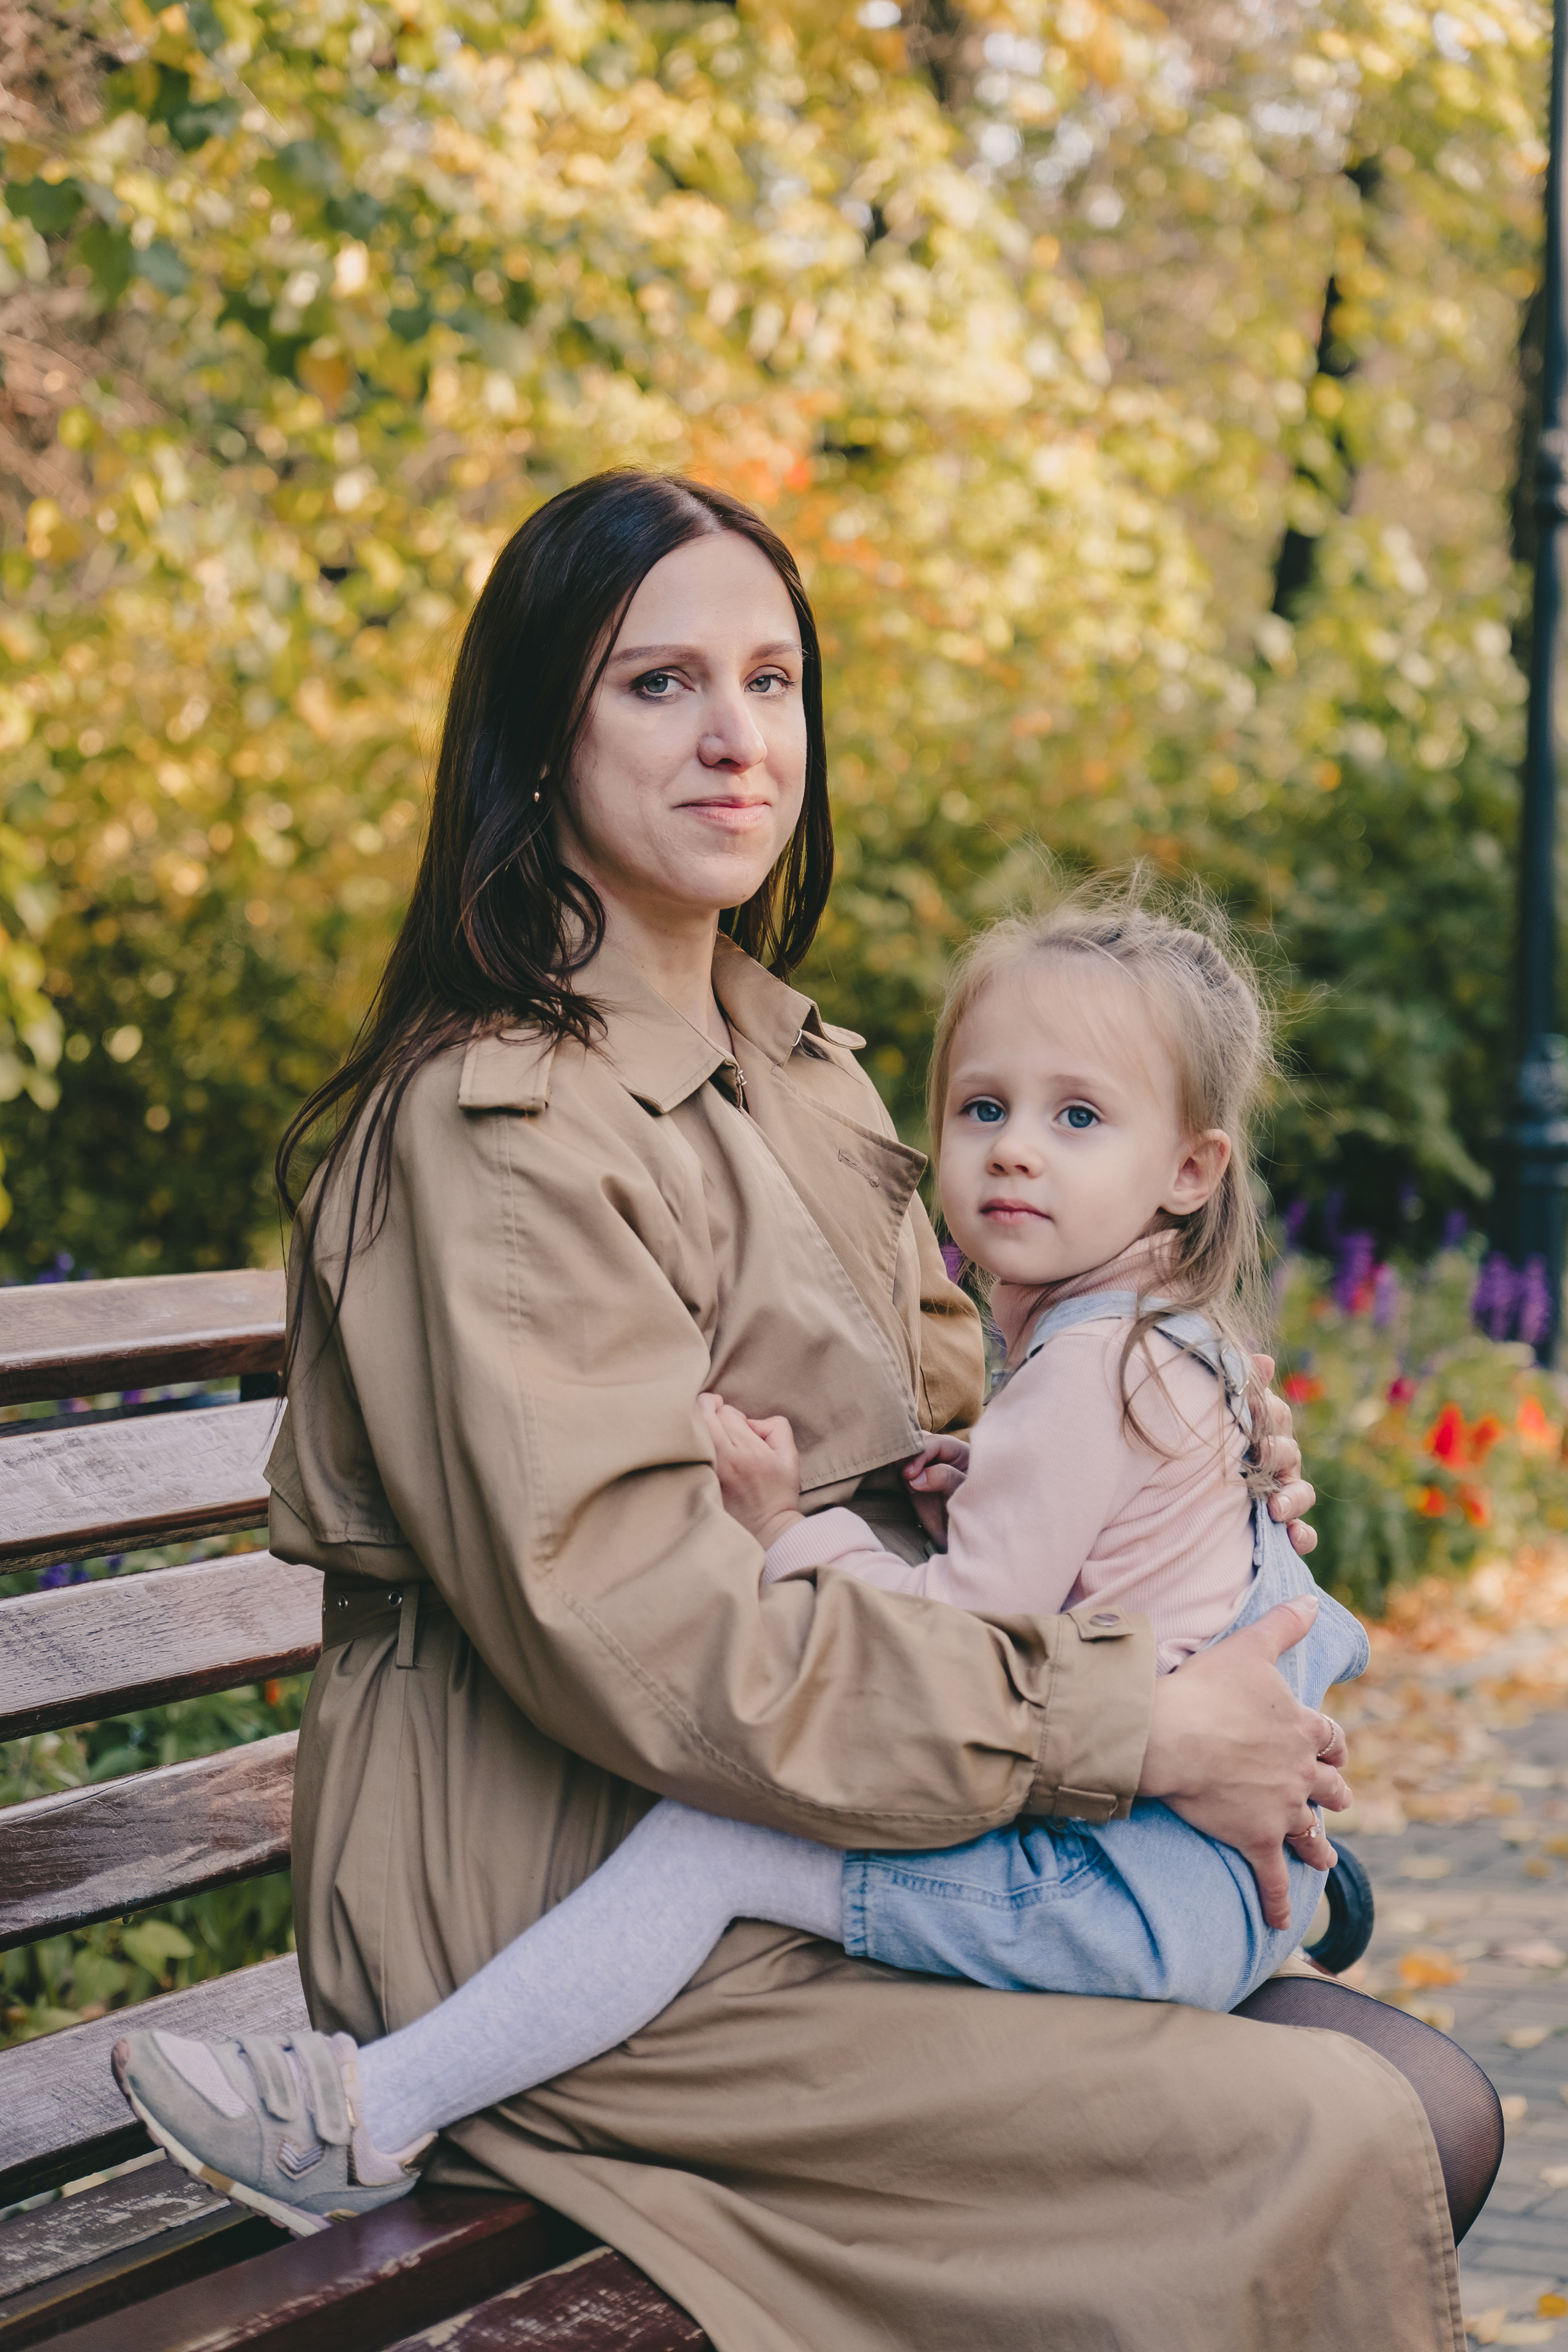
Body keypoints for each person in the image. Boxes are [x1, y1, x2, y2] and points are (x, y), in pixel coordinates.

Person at [113, 471, 1492, 2350]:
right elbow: (658, 1650)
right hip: (576, 1895)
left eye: (771, 679)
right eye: (658, 684)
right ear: (539, 734)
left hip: (836, 1813)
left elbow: (966, 1467)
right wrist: (1141, 1726)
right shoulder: (504, 1129)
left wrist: (1172, 1479)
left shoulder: (799, 1070)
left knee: (1438, 2103)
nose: (736, 738)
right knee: (1340, 2127)